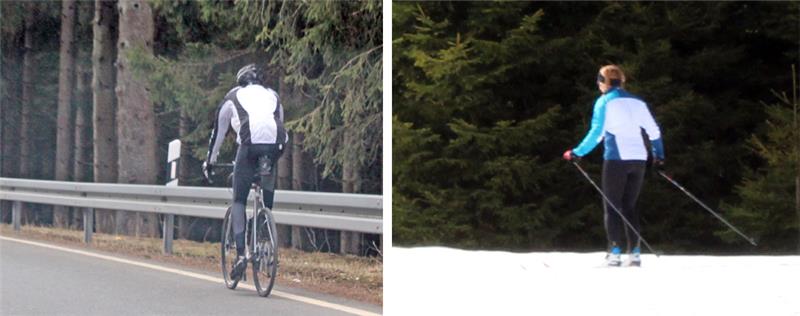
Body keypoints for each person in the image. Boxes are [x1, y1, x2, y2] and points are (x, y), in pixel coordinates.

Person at [562, 64, 665, 267]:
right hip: (639, 159)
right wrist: (659, 156)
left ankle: (614, 252)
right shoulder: (638, 102)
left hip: (617, 159)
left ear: (603, 82)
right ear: (622, 80)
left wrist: (576, 153)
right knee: (630, 206)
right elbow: (654, 131)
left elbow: (597, 133)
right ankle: (635, 253)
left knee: (612, 206)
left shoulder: (604, 102)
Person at [203, 63, 288, 280]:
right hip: (277, 144)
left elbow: (219, 132)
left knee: (239, 199)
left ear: (240, 80)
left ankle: (241, 254)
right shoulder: (273, 95)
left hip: (249, 145)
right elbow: (279, 121)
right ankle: (265, 231)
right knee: (266, 183)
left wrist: (210, 162)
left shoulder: (233, 96)